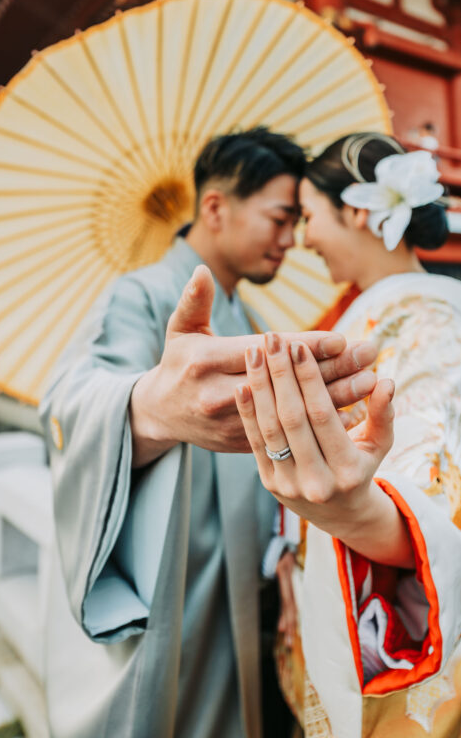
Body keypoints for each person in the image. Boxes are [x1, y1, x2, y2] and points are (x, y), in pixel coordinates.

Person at [39, 127, 382, 738]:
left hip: (246, 584)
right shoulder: (140, 296)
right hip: (177, 582)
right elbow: (68, 401)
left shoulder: (249, 318)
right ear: (216, 208)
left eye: (297, 220)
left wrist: (283, 544)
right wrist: (148, 408)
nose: (290, 240)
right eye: (280, 217)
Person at [236, 133, 461, 738]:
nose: (305, 239)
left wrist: (351, 512)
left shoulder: (430, 338)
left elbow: (436, 512)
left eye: (310, 217)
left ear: (358, 210)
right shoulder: (386, 327)